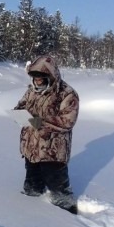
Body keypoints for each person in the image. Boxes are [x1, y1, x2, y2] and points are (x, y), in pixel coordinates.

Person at [14, 55, 79, 214]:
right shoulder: (31, 91)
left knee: (60, 192)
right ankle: (30, 214)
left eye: (41, 78)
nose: (37, 81)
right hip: (31, 148)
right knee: (31, 188)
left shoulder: (67, 93)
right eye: (34, 78)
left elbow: (67, 121)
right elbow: (20, 106)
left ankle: (70, 221)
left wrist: (40, 122)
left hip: (52, 151)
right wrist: (18, 115)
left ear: (50, 76)